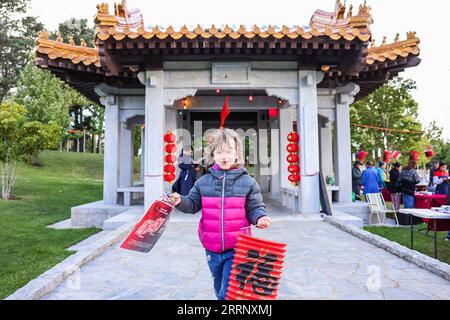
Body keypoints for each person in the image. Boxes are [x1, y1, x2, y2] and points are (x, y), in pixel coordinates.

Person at [171, 128, 273, 300]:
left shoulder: (248, 182)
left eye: (229, 151)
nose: (224, 156)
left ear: (237, 154)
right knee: (219, 289)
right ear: (213, 154)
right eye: (219, 152)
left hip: (238, 247)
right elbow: (193, 204)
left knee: (228, 293)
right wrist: (180, 200)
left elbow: (255, 207)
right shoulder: (203, 182)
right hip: (211, 248)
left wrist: (260, 217)